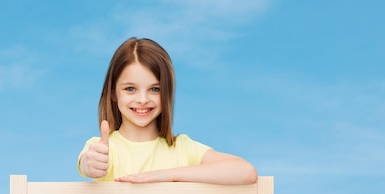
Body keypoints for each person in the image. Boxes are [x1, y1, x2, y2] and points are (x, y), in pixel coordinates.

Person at [78, 37, 257, 185]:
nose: (142, 99)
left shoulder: (182, 149)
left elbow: (245, 171)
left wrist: (166, 175)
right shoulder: (104, 149)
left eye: (155, 89)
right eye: (130, 89)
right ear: (113, 93)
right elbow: (88, 164)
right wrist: (91, 164)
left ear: (167, 94)